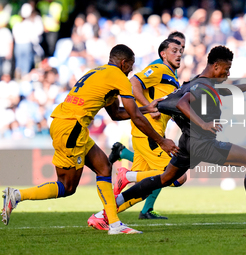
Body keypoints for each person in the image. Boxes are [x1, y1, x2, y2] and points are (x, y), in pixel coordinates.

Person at [1, 44, 179, 235]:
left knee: (103, 166)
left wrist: (146, 108)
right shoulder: (119, 77)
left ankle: (115, 224)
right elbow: (134, 117)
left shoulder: (98, 72)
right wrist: (162, 141)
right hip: (72, 128)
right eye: (131, 65)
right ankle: (17, 195)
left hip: (66, 124)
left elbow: (116, 114)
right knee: (67, 186)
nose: (132, 70)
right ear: (124, 63)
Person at [112, 45, 246, 230]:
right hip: (202, 143)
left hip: (188, 143)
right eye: (226, 69)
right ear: (216, 66)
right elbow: (183, 103)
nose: (227, 73)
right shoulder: (202, 85)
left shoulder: (198, 82)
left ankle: (107, 210)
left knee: (164, 178)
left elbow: (224, 91)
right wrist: (204, 124)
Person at [87, 36, 187, 231]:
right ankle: (128, 175)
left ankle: (102, 216)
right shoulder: (159, 69)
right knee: (178, 176)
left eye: (181, 50)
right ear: (163, 54)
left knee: (145, 188)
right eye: (174, 50)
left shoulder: (172, 77)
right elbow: (133, 82)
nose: (179, 54)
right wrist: (147, 107)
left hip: (149, 131)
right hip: (149, 132)